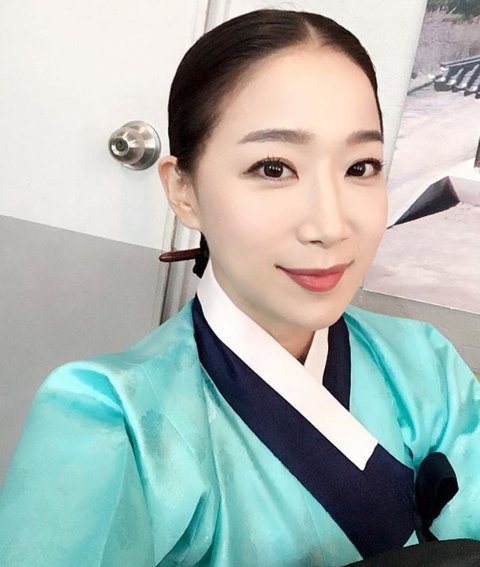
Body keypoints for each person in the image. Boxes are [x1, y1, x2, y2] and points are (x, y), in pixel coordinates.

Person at [0, 8, 479, 567]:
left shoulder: (425, 363)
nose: (330, 226)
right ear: (183, 191)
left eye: (360, 166)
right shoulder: (112, 420)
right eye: (273, 168)